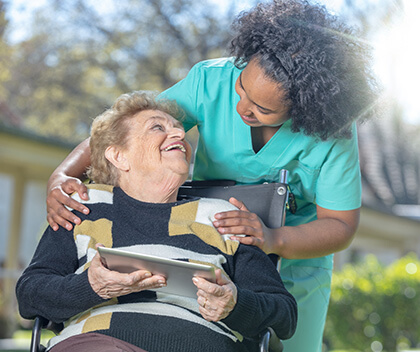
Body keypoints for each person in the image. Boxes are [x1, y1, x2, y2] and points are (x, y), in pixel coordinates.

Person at [44, 1, 378, 351]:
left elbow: (340, 225)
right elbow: (124, 131)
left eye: (262, 109)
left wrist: (273, 239)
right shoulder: (211, 80)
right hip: (210, 236)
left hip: (295, 248)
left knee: (285, 334)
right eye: (242, 88)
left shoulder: (331, 133)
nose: (241, 108)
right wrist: (62, 174)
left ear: (306, 109)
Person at [16, 91, 297, 352]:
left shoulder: (222, 216)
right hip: (100, 341)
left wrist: (234, 305)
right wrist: (91, 287)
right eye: (157, 127)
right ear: (118, 155)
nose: (178, 133)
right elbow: (30, 296)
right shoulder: (83, 207)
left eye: (178, 128)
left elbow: (284, 315)